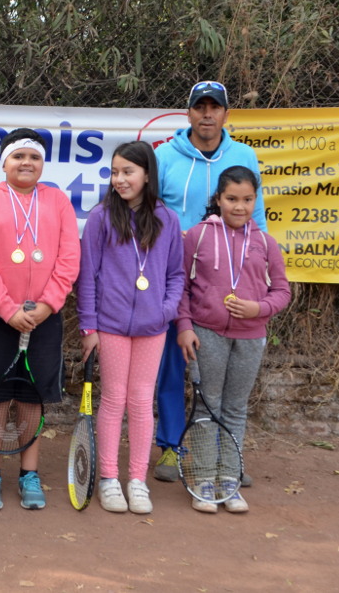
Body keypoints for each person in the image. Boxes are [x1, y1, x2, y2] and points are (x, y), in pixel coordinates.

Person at [152, 80, 267, 486]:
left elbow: (259, 221)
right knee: (169, 363)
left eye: (214, 107)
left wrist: (257, 280)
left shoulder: (244, 156)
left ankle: (224, 457)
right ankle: (170, 444)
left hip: (224, 284)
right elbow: (151, 211)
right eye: (199, 106)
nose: (206, 114)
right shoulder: (165, 155)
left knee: (218, 383)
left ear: (225, 115)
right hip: (170, 274)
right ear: (187, 113)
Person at [0, 128, 80, 510]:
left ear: (42, 163)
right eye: (18, 156)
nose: (26, 163)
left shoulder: (58, 201)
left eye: (33, 156)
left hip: (44, 318)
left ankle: (29, 473)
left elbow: (68, 259)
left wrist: (47, 306)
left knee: (31, 399)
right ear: (4, 163)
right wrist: (6, 308)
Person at [77, 141, 185, 514]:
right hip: (110, 326)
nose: (120, 179)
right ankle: (108, 478)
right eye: (115, 171)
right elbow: (87, 276)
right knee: (113, 400)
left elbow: (175, 275)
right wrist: (88, 326)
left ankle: (136, 480)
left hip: (153, 327)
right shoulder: (101, 218)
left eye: (128, 172)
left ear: (147, 176)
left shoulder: (168, 220)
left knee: (141, 402)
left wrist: (165, 311)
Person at [176, 165, 290, 513]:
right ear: (218, 199)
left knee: (236, 407)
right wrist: (184, 326)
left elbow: (283, 291)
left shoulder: (266, 243)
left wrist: (259, 308)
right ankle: (203, 479)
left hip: (251, 337)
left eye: (247, 200)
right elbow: (180, 285)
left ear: (255, 201)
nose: (239, 207)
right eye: (231, 199)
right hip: (207, 333)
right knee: (206, 404)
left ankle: (229, 478)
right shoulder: (196, 236)